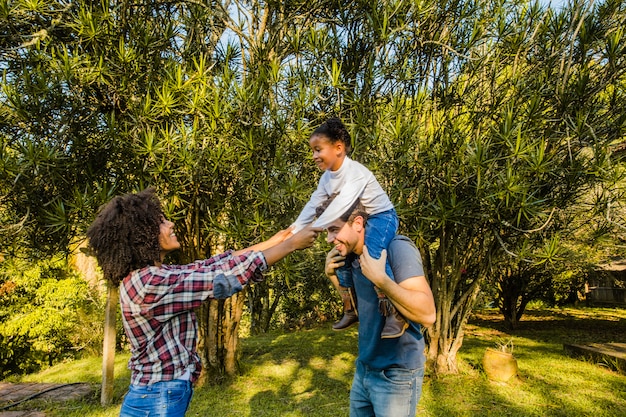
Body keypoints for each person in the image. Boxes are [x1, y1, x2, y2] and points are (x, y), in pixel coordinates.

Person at [86, 187, 321, 417]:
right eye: (161, 222)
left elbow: (209, 266)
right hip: (156, 399)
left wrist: (274, 241)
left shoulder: (150, 275)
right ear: (141, 235)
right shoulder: (150, 284)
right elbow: (221, 279)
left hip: (155, 394)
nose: (171, 225)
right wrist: (290, 246)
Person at [291, 117, 407, 338]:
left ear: (338, 148)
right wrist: (294, 230)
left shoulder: (355, 172)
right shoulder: (327, 179)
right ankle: (351, 308)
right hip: (361, 219)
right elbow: (314, 203)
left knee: (374, 255)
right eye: (312, 151)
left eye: (318, 150)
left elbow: (341, 205)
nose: (314, 156)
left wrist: (314, 228)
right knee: (341, 258)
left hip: (382, 217)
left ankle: (397, 312)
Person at [322, 199, 436, 417]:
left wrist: (382, 280)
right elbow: (356, 308)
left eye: (334, 229)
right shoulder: (352, 257)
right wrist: (332, 277)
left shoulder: (396, 248)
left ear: (357, 223)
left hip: (396, 374)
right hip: (364, 368)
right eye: (326, 232)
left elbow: (428, 314)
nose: (329, 239)